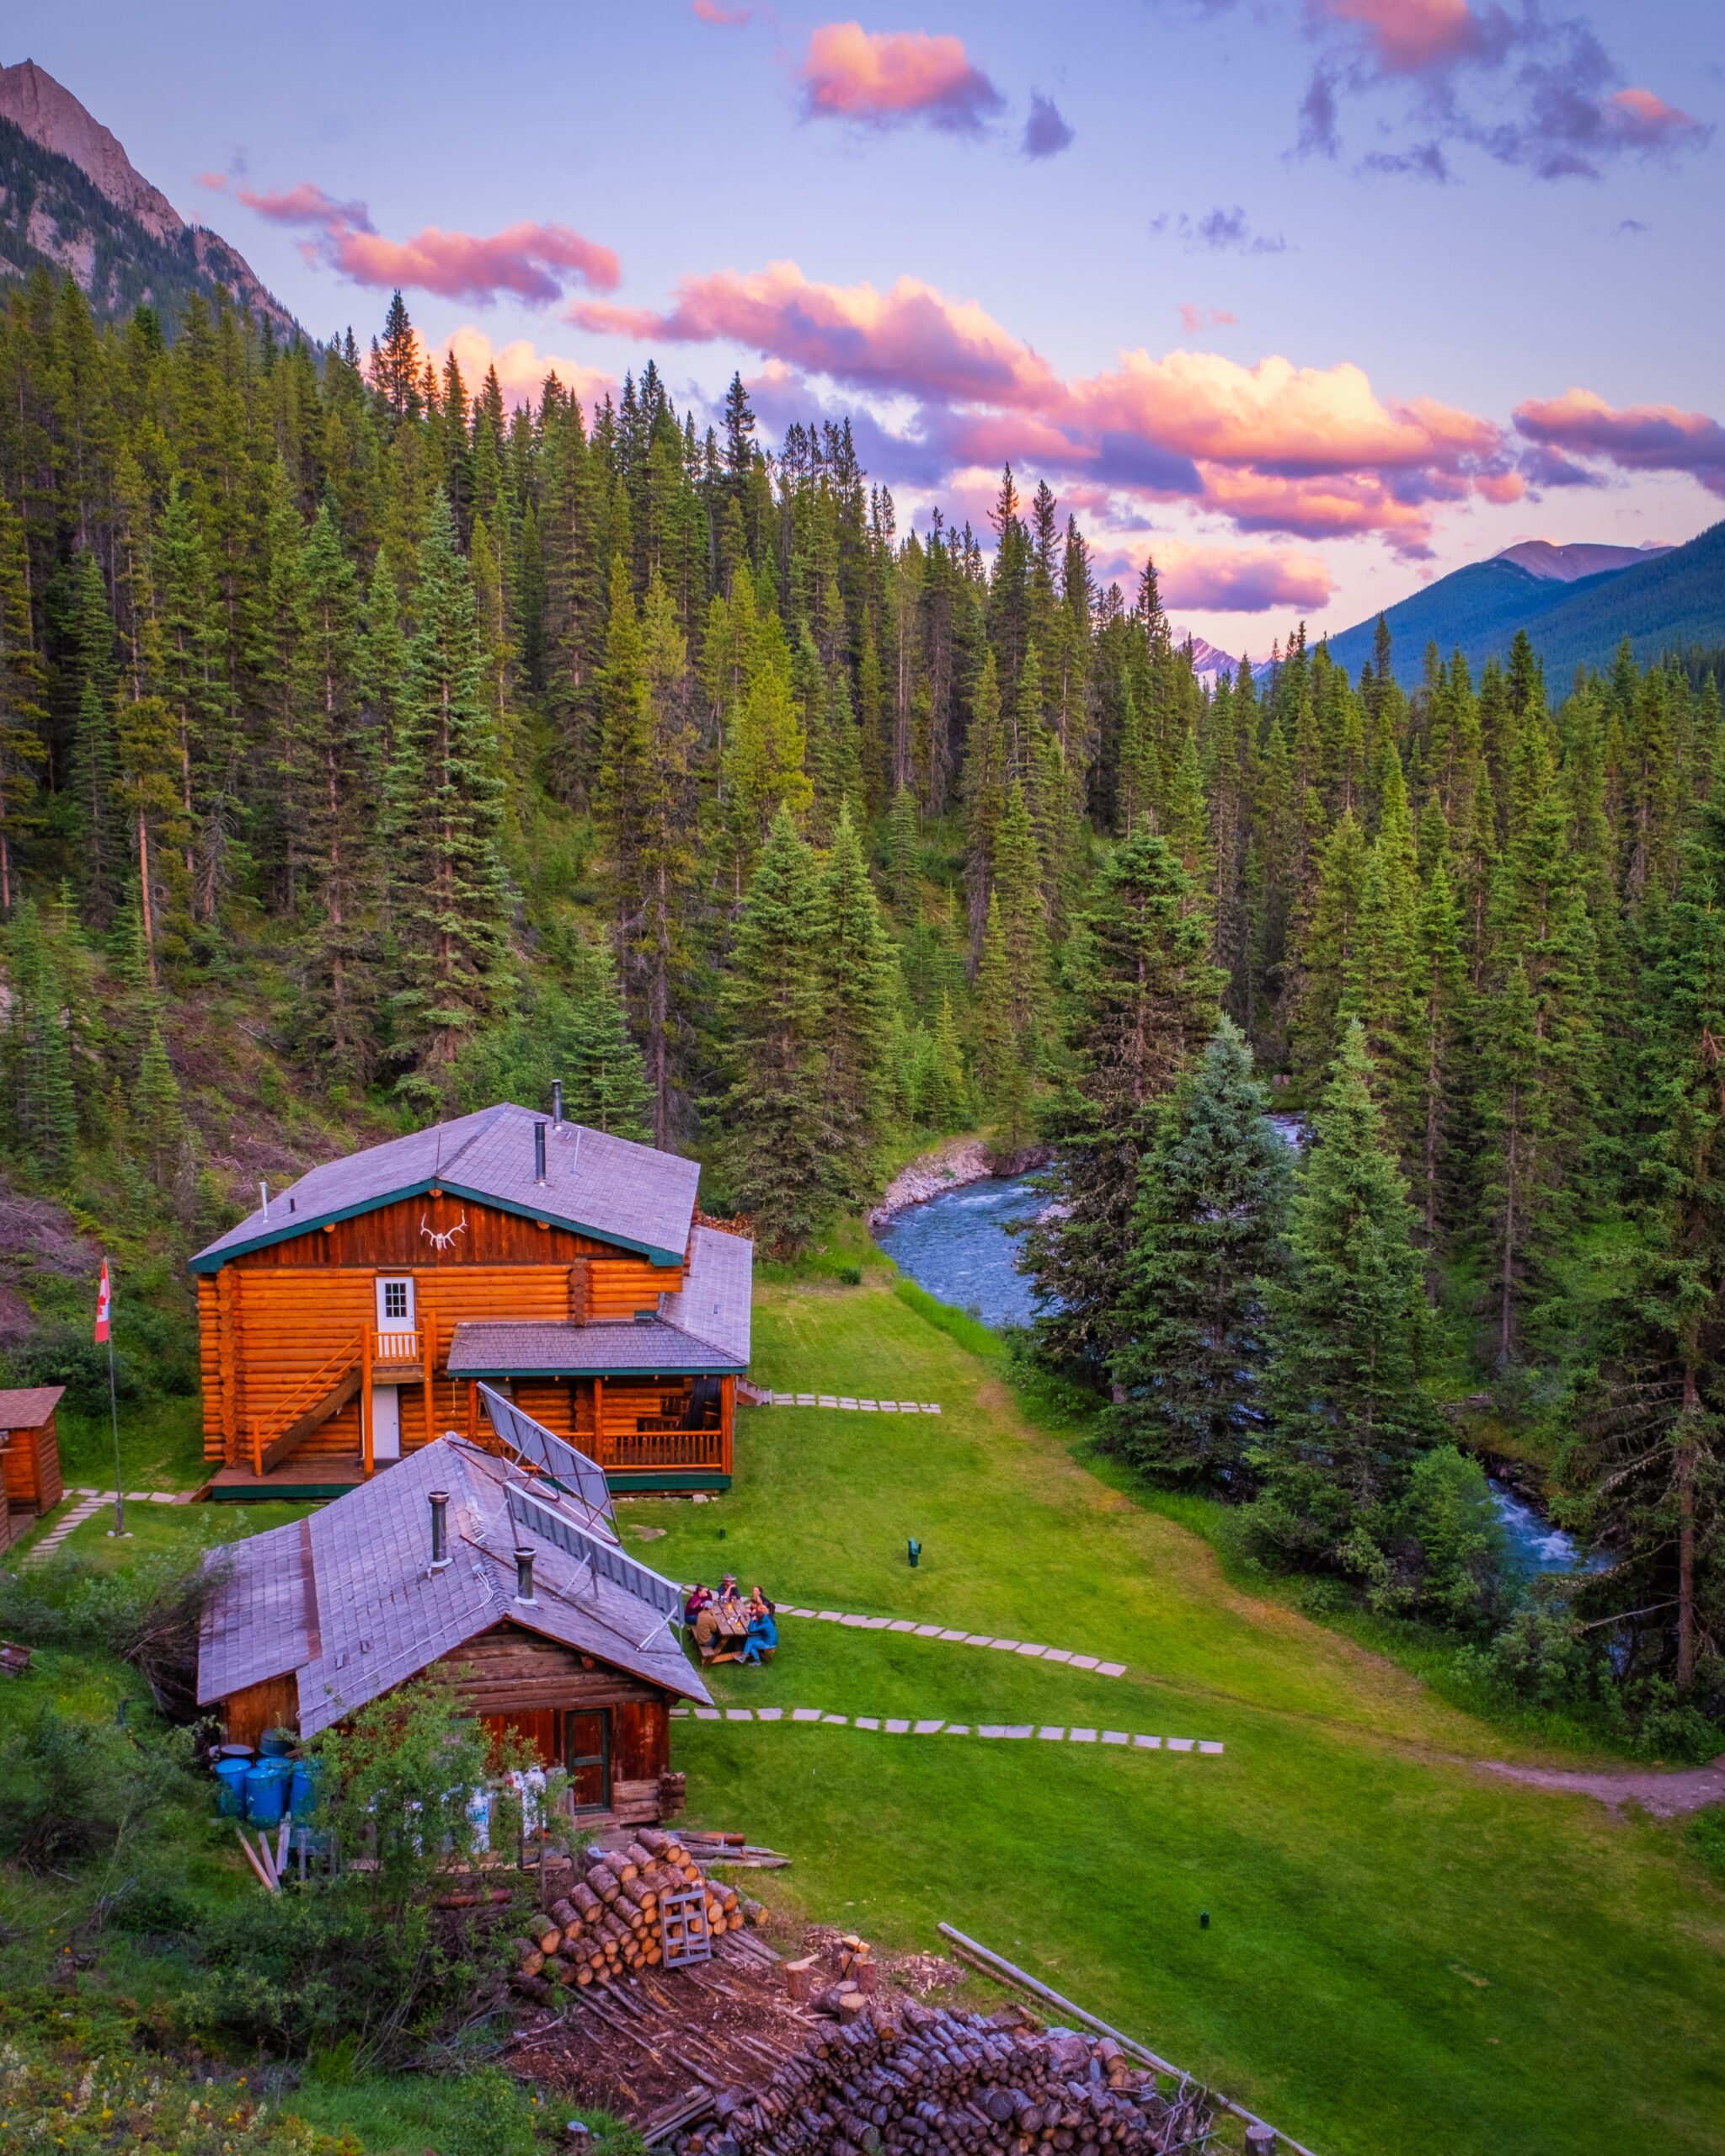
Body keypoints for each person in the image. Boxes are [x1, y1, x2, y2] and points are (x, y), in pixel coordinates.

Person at [739, 1585, 777, 1665]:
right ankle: (746, 1658)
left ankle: (750, 1660)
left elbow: (751, 1630)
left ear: (767, 1609)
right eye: (761, 1608)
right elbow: (758, 1624)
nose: (761, 1610)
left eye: (763, 1609)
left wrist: (753, 1621)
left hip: (769, 1643)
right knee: (750, 1640)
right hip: (765, 1636)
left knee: (751, 1644)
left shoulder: (766, 1621)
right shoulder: (765, 1617)